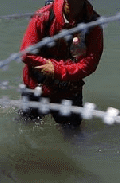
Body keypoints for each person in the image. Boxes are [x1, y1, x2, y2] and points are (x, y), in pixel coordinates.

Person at [19, 0, 103, 128]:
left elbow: (89, 64)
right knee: (25, 129)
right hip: (35, 87)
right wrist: (53, 66)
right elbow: (27, 54)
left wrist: (57, 70)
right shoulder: (43, 16)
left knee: (73, 137)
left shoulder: (94, 24)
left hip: (69, 92)